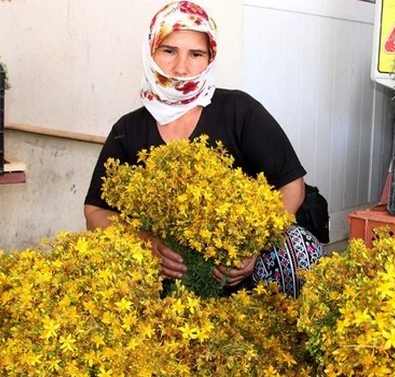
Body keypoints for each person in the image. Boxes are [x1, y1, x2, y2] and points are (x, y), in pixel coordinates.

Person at [84, 1, 323, 298]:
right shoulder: (127, 130)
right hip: (166, 273)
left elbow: (291, 185)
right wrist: (144, 241)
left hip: (239, 273)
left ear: (210, 58)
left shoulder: (240, 111)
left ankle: (280, 319)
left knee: (295, 249)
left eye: (196, 54)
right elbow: (96, 211)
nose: (181, 68)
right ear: (150, 52)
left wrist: (254, 245)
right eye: (169, 50)